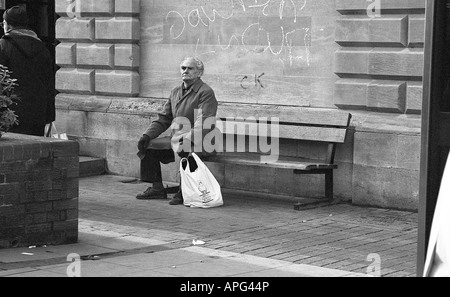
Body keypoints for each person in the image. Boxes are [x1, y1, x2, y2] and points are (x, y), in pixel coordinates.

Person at [136, 57, 218, 205]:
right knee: (147, 144)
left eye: (190, 68)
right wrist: (147, 135)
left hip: (201, 139)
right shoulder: (175, 91)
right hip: (177, 137)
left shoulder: (205, 92)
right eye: (183, 68)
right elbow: (164, 118)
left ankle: (184, 191)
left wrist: (188, 138)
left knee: (188, 150)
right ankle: (157, 188)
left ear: (199, 73)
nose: (185, 71)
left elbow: (204, 120)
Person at [0, 5, 55, 136]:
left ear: (8, 25)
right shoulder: (42, 47)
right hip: (38, 112)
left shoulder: (3, 45)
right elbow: (49, 83)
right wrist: (49, 115)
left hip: (12, 112)